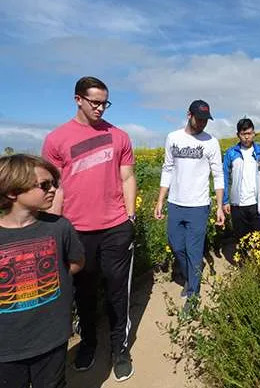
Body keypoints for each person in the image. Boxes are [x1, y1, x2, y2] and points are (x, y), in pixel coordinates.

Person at [42, 76, 137, 381]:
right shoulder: (57, 140)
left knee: (117, 292)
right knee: (83, 292)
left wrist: (130, 218)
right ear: (78, 99)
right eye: (95, 102)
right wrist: (55, 228)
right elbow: (54, 189)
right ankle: (89, 343)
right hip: (76, 230)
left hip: (115, 227)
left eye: (104, 103)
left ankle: (120, 348)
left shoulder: (119, 136)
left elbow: (127, 178)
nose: (100, 108)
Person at [0, 154, 84, 388]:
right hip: (6, 348)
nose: (54, 190)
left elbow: (75, 263)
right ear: (12, 191)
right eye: (45, 185)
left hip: (51, 337)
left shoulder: (59, 227)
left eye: (55, 184)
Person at [154, 100, 225, 308]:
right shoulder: (173, 138)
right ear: (189, 115)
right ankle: (189, 276)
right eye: (199, 119)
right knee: (176, 246)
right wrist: (160, 200)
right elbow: (167, 169)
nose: (202, 123)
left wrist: (219, 205)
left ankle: (193, 293)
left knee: (194, 250)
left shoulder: (211, 142)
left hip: (199, 206)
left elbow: (218, 175)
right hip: (175, 203)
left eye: (205, 120)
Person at [223, 118, 260, 242]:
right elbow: (224, 177)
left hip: (257, 203)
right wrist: (225, 201)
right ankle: (243, 261)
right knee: (241, 240)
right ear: (238, 135)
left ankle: (255, 262)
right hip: (237, 205)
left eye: (249, 133)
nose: (247, 137)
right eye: (243, 134)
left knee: (259, 240)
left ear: (254, 133)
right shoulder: (231, 153)